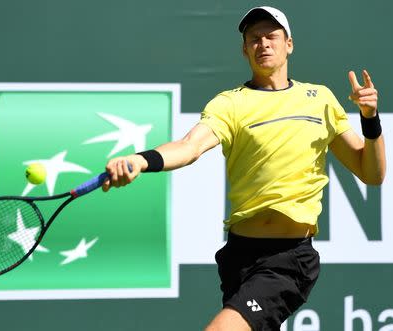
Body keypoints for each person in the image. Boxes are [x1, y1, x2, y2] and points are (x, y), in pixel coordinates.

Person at [101, 6, 386, 331]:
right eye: (254, 38)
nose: (263, 43)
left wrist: (370, 120)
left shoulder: (319, 99)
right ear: (244, 48)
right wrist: (141, 160)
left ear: (288, 44)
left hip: (288, 259)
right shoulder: (230, 103)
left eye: (271, 36)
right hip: (239, 256)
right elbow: (189, 146)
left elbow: (372, 173)